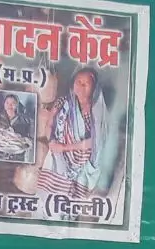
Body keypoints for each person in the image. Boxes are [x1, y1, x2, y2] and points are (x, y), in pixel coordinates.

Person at [38, 68, 106, 204]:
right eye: (78, 82)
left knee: (71, 199)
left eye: (86, 83)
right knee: (47, 194)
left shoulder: (96, 111)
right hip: (57, 152)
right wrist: (51, 141)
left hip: (81, 160)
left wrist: (64, 147)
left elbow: (92, 142)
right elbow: (49, 124)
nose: (81, 86)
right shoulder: (62, 102)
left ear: (94, 88)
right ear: (72, 84)